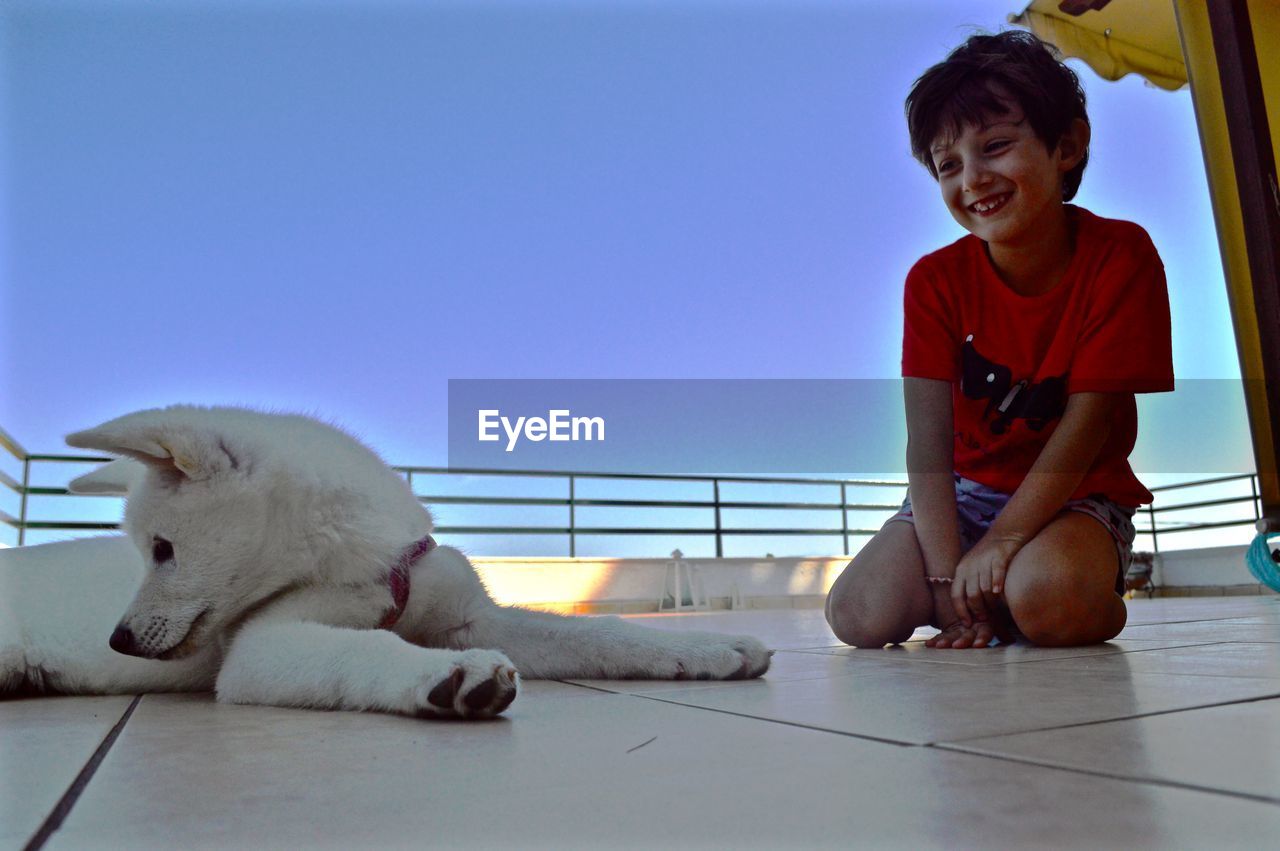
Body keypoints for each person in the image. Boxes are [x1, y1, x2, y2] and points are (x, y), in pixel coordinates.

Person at [825, 30, 1173, 649]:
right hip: (964, 496)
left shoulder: (1121, 256)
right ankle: (989, 601)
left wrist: (1005, 542)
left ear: (1067, 145)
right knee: (857, 614)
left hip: (1075, 494)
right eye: (948, 164)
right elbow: (928, 450)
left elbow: (1088, 423)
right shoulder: (933, 282)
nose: (974, 179)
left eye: (996, 147)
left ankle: (1066, 593)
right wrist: (944, 576)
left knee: (1049, 601)